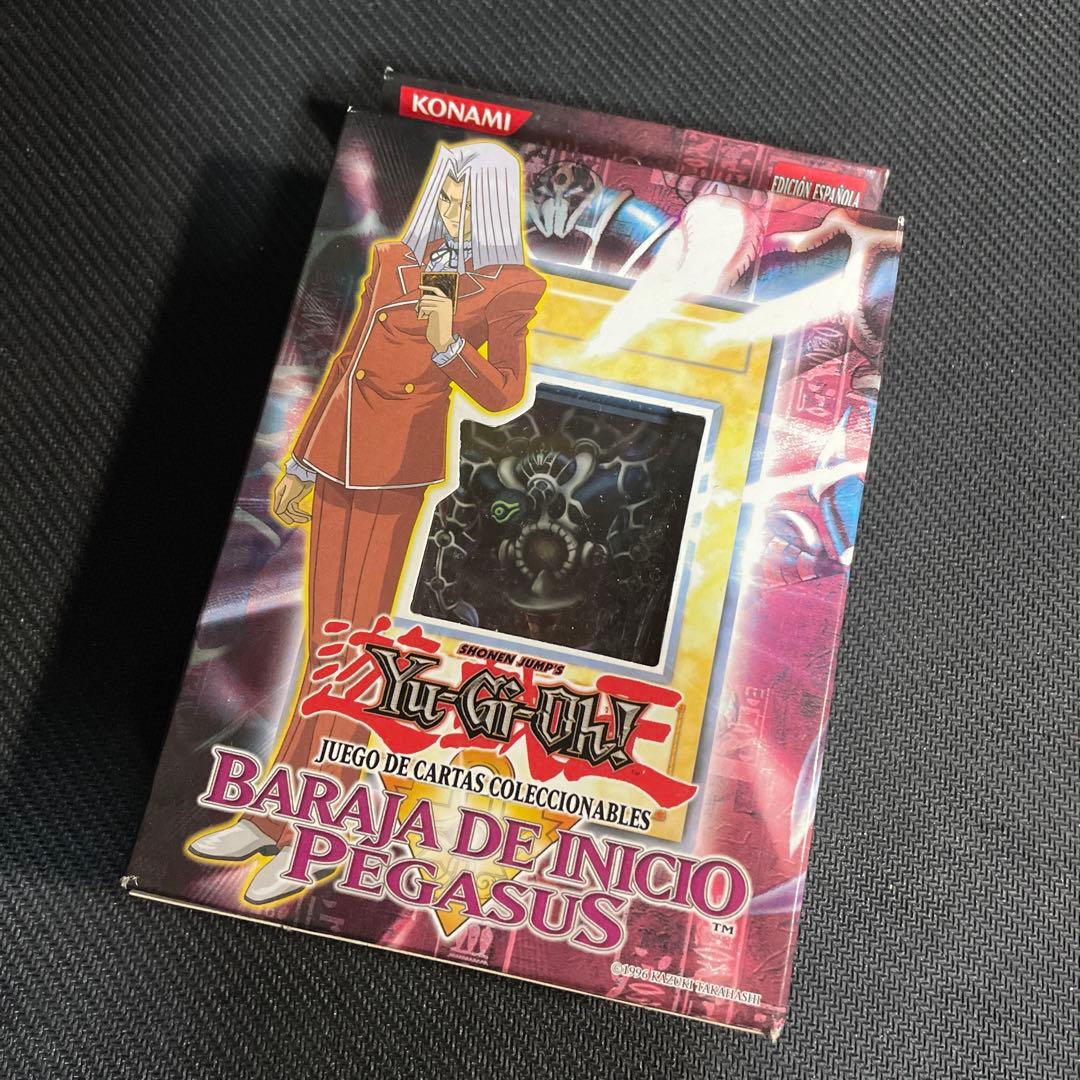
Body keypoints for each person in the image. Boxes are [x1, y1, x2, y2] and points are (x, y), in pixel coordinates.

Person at [188, 140, 546, 904]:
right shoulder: (394, 261)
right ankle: (278, 814)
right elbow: (347, 361)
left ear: (489, 207)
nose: (449, 211)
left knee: (353, 651)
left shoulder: (509, 285)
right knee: (326, 646)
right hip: (341, 458)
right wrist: (304, 464)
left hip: (398, 471)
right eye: (445, 196)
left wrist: (451, 344)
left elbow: (504, 392)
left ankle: (316, 833)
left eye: (462, 201)